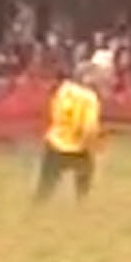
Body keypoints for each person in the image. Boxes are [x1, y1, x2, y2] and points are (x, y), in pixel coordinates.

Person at [34, 60, 104, 203]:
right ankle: (81, 206)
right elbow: (89, 125)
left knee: (45, 185)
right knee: (83, 180)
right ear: (86, 77)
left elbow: (54, 111)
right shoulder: (89, 98)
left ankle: (37, 207)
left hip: (55, 141)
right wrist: (93, 143)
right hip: (78, 146)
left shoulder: (63, 90)